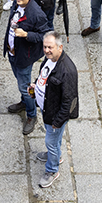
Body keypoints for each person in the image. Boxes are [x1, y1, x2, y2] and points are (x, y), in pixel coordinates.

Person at [1, 0, 49, 135]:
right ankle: (24, 102)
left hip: (24, 57)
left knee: (25, 87)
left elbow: (45, 35)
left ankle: (31, 115)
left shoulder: (36, 14)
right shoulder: (16, 4)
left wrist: (26, 35)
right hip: (13, 52)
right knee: (20, 81)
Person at [34, 31, 79, 189]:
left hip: (54, 116)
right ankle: (55, 156)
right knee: (54, 141)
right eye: (45, 47)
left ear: (60, 47)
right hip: (47, 108)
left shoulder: (67, 71)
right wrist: (36, 85)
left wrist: (57, 122)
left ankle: (52, 170)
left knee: (51, 141)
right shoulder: (50, 60)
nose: (46, 50)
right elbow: (44, 76)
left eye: (50, 47)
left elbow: (69, 101)